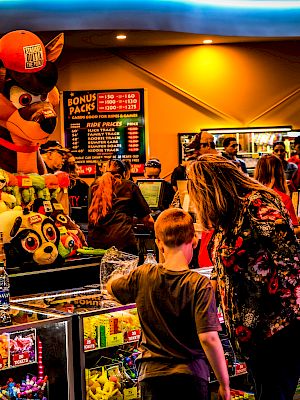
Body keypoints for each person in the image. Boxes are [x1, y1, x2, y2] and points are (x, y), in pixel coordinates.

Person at [187, 154, 300, 400]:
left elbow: (291, 263)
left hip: (276, 331)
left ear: (210, 187)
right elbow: (222, 261)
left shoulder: (256, 206)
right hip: (251, 336)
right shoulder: (227, 215)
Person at [107, 208, 231, 400]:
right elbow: (209, 339)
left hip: (151, 376)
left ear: (159, 243)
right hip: (191, 376)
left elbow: (112, 287)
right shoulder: (199, 284)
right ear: (194, 241)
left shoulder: (144, 275)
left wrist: (114, 276)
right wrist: (224, 383)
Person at [88, 159, 154, 254]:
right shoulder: (129, 186)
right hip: (122, 245)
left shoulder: (93, 186)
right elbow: (146, 219)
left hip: (96, 246)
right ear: (125, 174)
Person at [254, 154, 300, 237]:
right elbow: (294, 229)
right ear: (280, 172)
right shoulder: (282, 198)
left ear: (258, 170)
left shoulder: (249, 196)